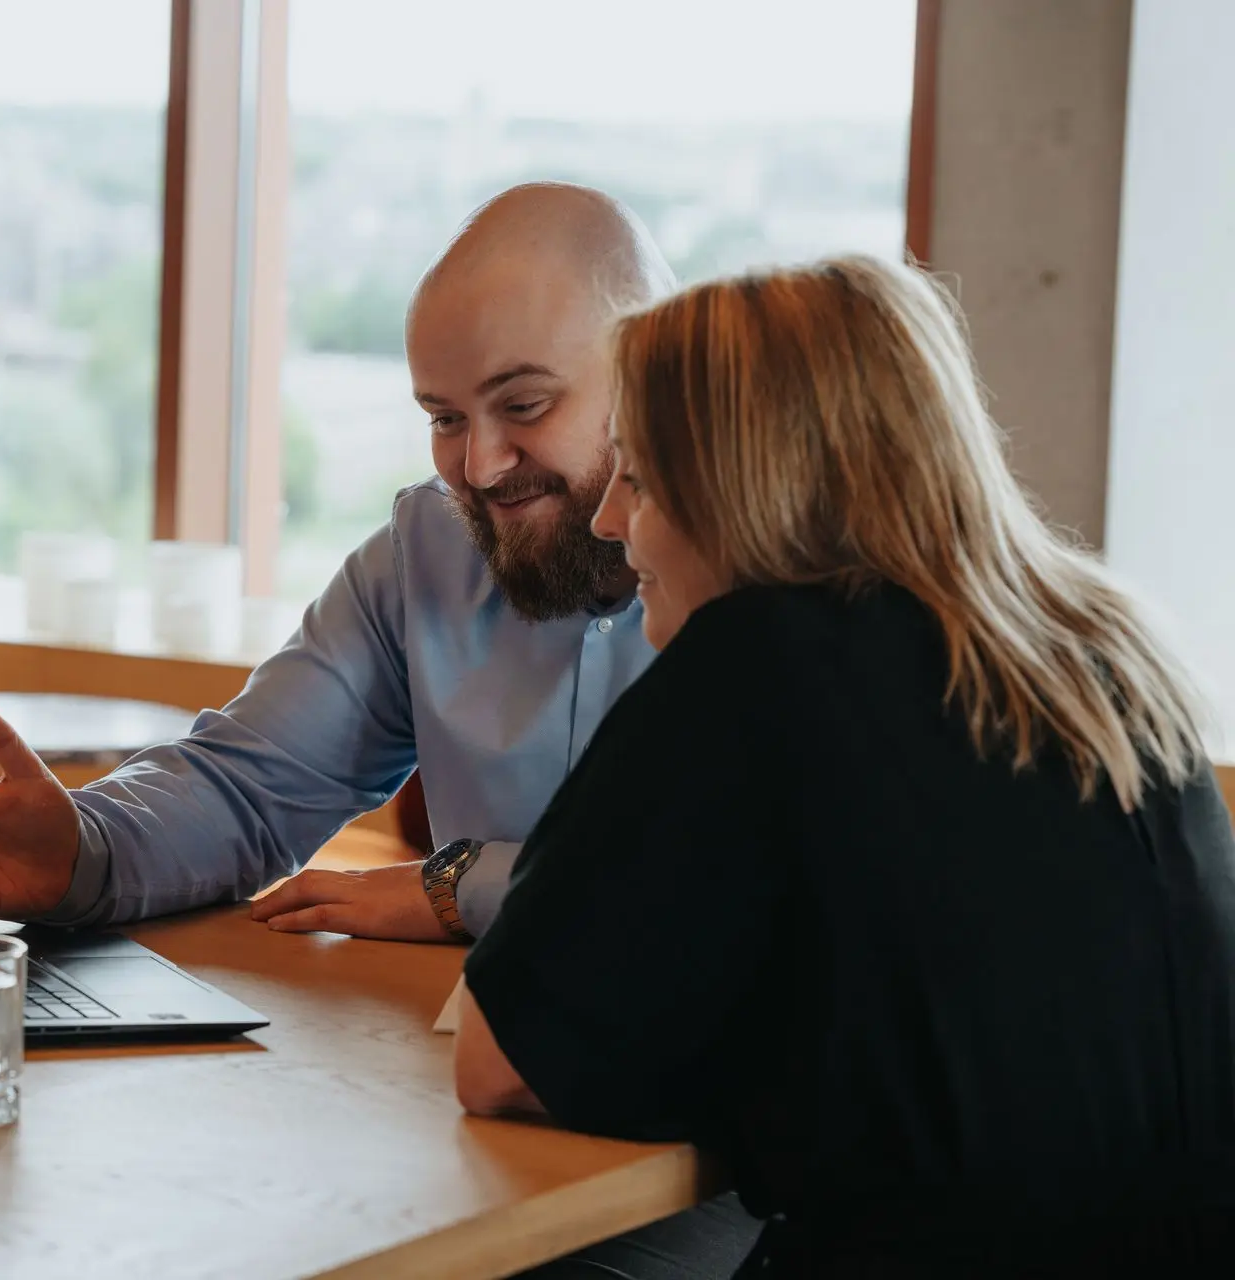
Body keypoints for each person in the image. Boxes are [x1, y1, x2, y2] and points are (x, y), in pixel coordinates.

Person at [457, 255, 1235, 1278]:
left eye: (639, 477)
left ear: (739, 480)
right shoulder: (1108, 654)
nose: (610, 522)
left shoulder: (762, 655)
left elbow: (502, 1064)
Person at [0, 182, 680, 942]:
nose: (484, 466)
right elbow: (248, 787)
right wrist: (86, 851)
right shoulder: (425, 552)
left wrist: (459, 888)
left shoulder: (774, 568)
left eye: (524, 405)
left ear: (651, 370)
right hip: (463, 1064)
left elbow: (741, 871)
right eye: (446, 418)